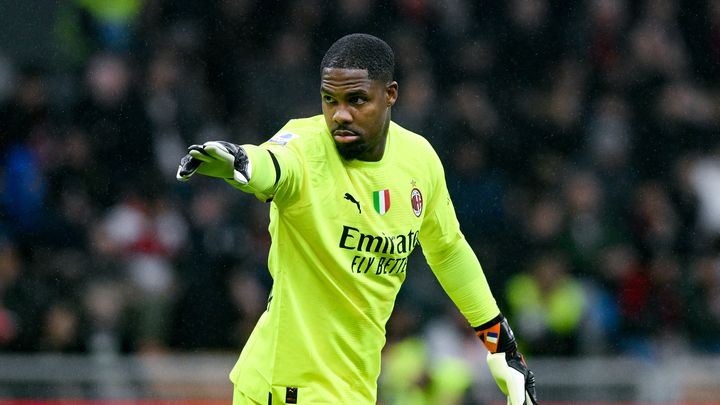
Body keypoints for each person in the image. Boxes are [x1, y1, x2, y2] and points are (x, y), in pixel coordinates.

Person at [177, 33, 537, 405]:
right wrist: (244, 163)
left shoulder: (419, 158)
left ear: (390, 94)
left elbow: (447, 250)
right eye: (329, 100)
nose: (339, 114)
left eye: (356, 100)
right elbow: (274, 164)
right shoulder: (304, 143)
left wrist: (501, 344)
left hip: (352, 389)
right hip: (287, 388)